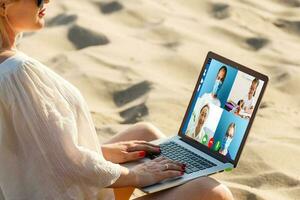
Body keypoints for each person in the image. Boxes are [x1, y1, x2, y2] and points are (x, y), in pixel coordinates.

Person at [0, 0, 233, 200]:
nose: (47, 1)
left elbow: (33, 153)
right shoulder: (19, 72)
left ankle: (184, 176)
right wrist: (138, 175)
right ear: (3, 4)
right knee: (213, 193)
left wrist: (104, 153)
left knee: (144, 136)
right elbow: (65, 166)